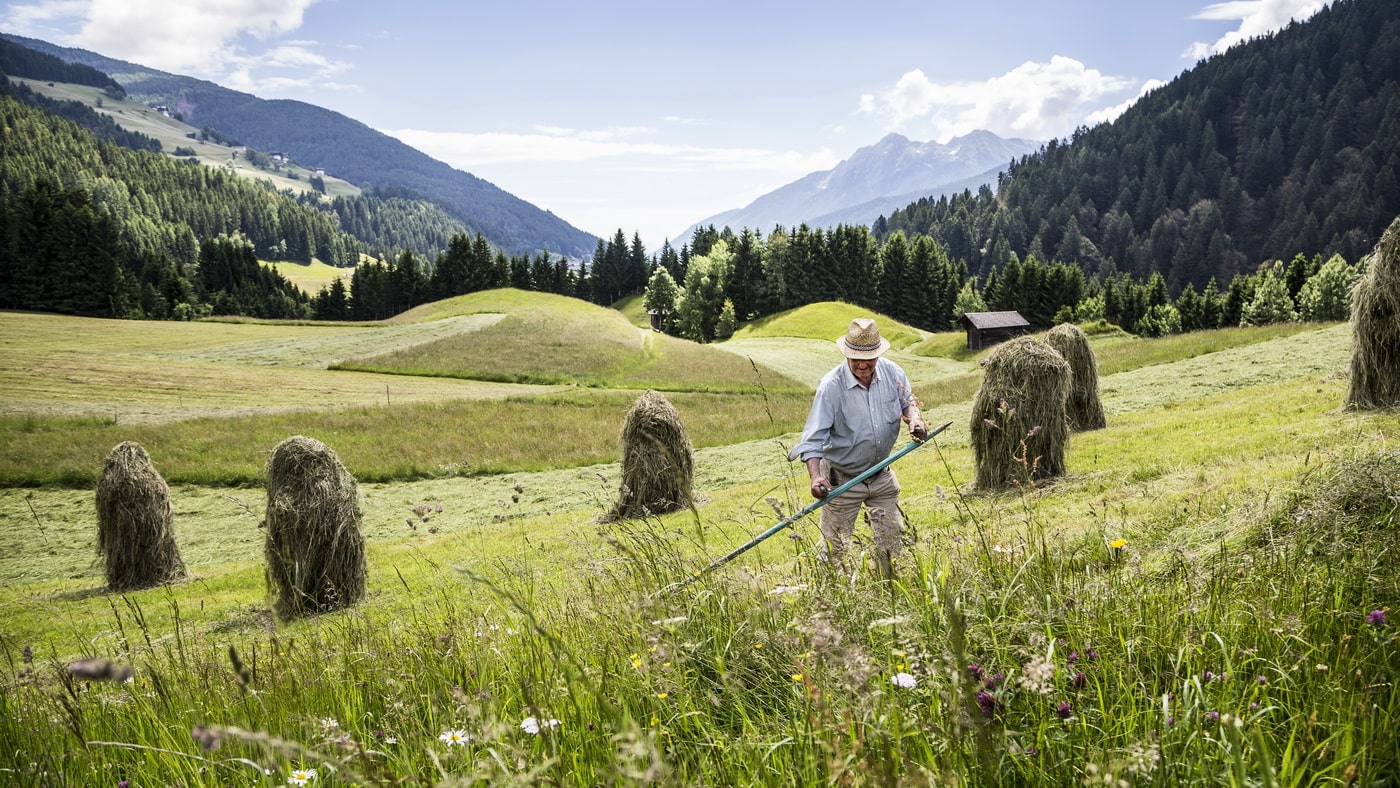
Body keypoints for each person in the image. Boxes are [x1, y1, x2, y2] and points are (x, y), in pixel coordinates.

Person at [789, 317, 927, 578]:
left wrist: (915, 420)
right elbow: (813, 439)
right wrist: (816, 477)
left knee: (891, 542)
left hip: (881, 474)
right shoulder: (831, 386)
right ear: (847, 355)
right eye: (856, 359)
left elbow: (908, 403)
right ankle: (833, 604)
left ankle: (890, 593)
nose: (863, 365)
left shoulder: (893, 373)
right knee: (834, 551)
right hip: (842, 480)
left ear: (878, 354)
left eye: (869, 359)